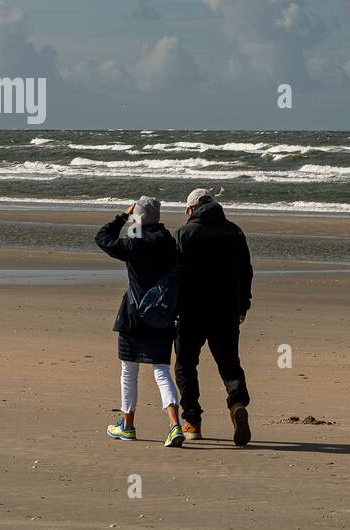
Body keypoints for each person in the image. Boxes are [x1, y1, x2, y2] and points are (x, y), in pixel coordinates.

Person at [96, 196, 185, 447]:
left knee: (129, 371)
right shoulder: (169, 242)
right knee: (161, 371)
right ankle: (174, 425)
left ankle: (128, 425)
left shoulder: (134, 243)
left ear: (138, 217)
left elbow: (103, 238)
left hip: (134, 315)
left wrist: (123, 217)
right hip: (162, 315)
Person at [174, 188, 253, 445]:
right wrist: (243, 305)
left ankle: (192, 420)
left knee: (186, 364)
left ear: (191, 208)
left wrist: (172, 308)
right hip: (226, 310)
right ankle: (237, 402)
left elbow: (176, 274)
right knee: (229, 363)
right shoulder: (235, 231)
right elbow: (245, 271)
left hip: (191, 311)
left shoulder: (185, 233)